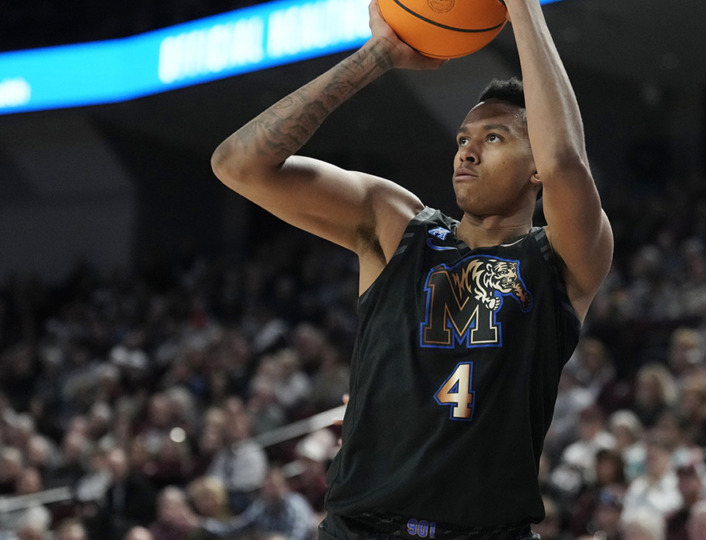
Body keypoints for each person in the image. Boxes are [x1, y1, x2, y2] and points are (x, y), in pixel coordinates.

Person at [209, 0, 613, 537]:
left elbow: (566, 160)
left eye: (494, 138)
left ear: (535, 166)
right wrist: (377, 56)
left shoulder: (560, 258)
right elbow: (236, 165)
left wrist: (521, 7)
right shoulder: (398, 225)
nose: (466, 152)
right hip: (359, 528)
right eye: (463, 139)